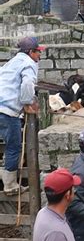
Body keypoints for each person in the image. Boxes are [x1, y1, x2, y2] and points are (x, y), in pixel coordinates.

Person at [0, 37, 44, 196]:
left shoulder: (12, 62)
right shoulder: (29, 64)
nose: (39, 55)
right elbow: (27, 84)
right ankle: (10, 185)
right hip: (7, 111)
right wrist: (26, 103)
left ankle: (4, 173)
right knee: (14, 146)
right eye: (38, 51)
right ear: (31, 52)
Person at [33, 168, 82, 241]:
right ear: (67, 195)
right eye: (73, 188)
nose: (75, 191)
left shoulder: (43, 213)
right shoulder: (57, 234)